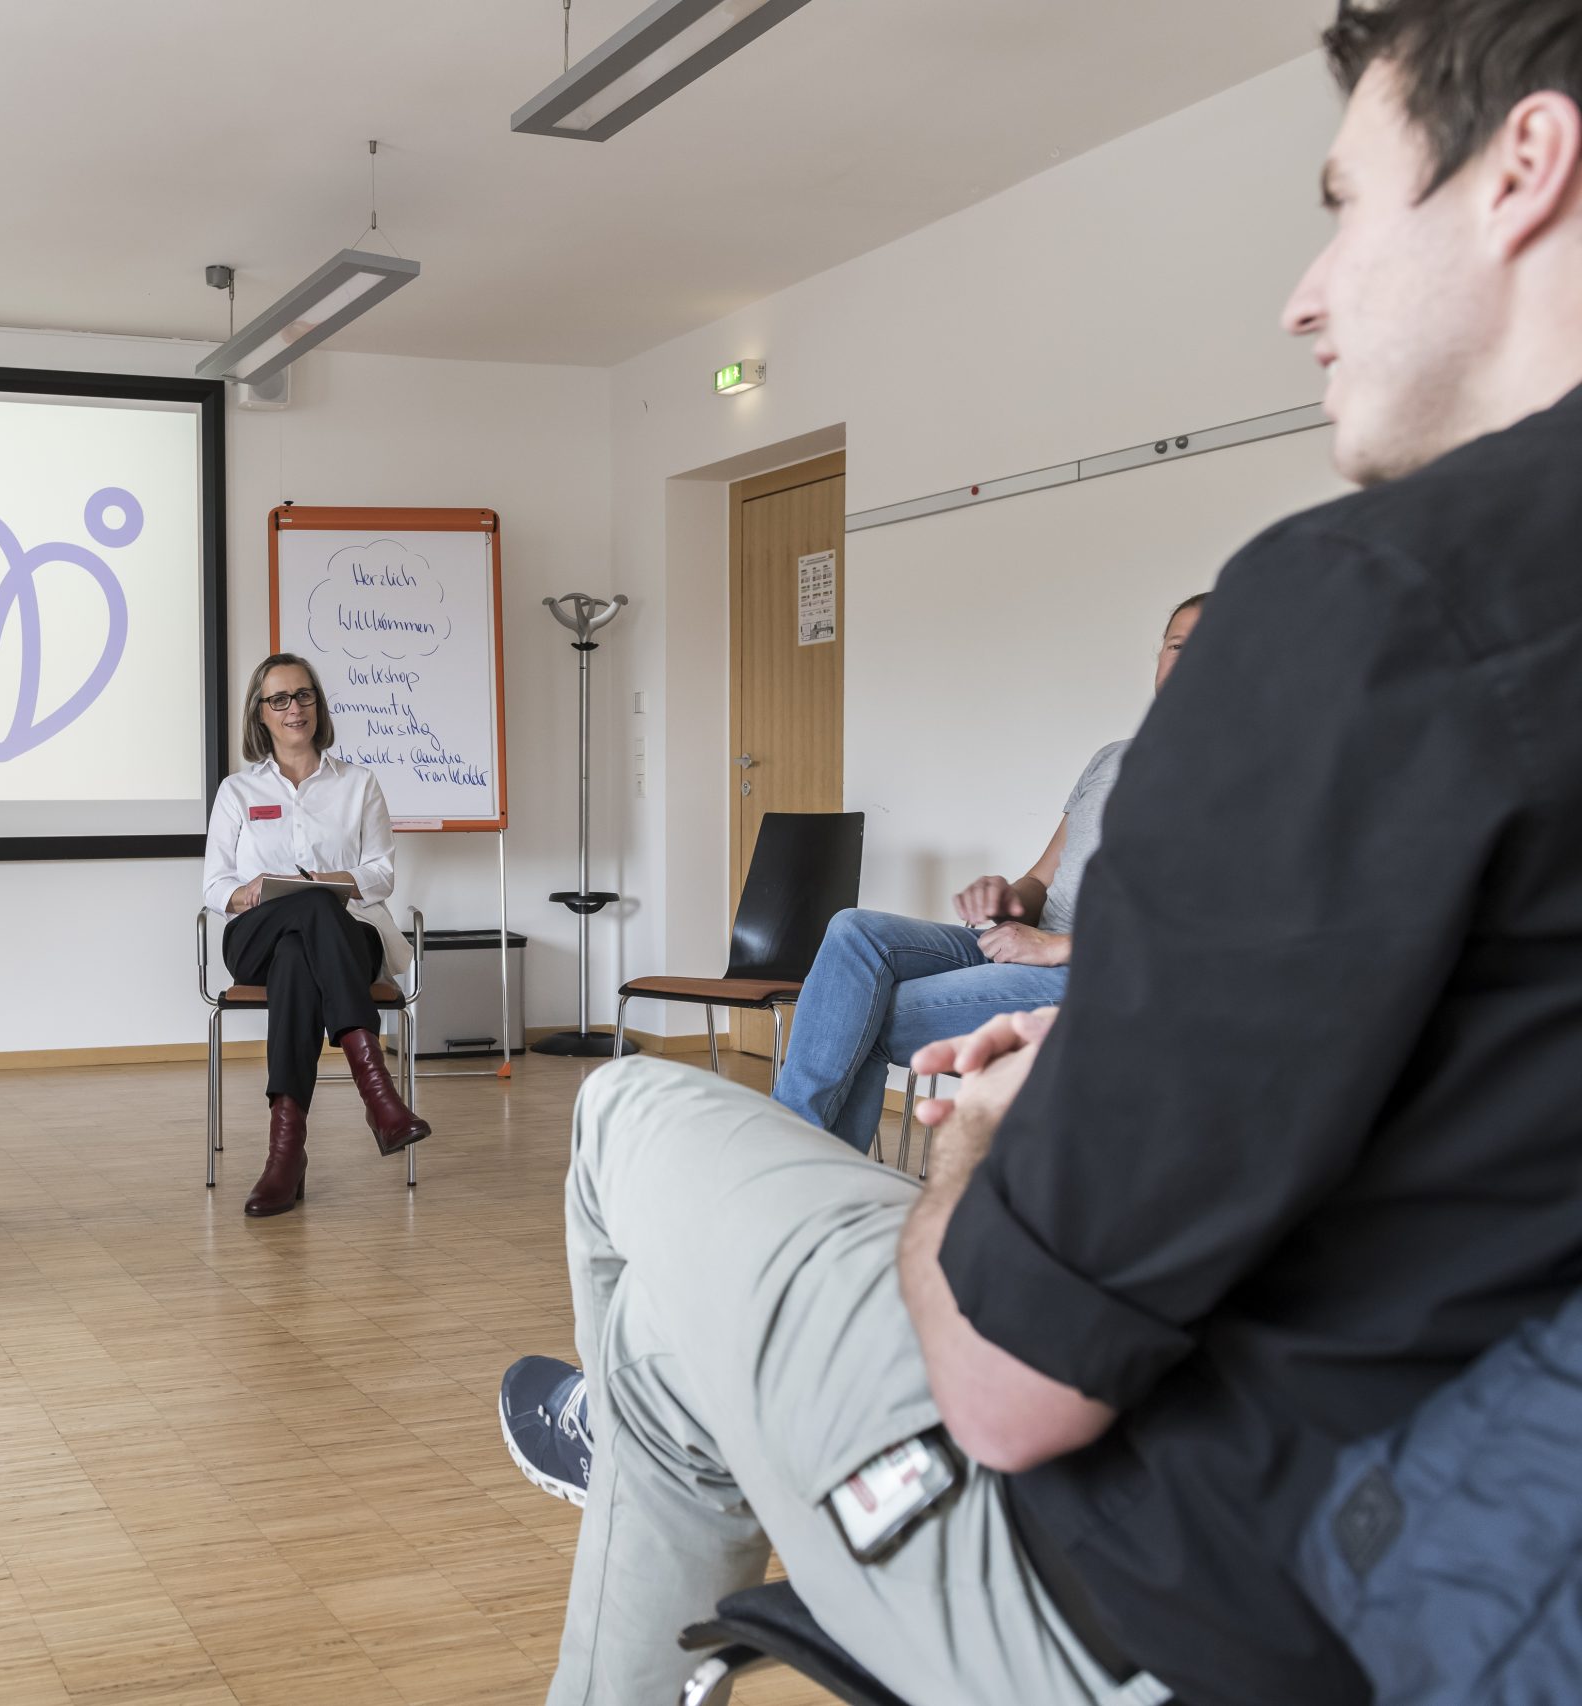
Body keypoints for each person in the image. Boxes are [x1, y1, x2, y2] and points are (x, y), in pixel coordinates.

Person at [501, 4, 1582, 1703]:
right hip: (1498, 1569)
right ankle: (669, 1398)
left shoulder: (1367, 604)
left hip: (1187, 1600)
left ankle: (657, 1402)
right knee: (678, 1340)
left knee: (629, 1115)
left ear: (1527, 166)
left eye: (1347, 206)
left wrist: (972, 1160)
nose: (1308, 295)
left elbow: (1012, 1387)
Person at [771, 595, 1203, 1150]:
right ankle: (797, 1161)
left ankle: (792, 1162)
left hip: (1101, 973)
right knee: (855, 932)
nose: (1187, 657)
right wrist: (1009, 898)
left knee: (863, 1015)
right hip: (1025, 946)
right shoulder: (1112, 759)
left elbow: (1212, 920)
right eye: (1175, 644)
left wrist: (1057, 947)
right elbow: (1043, 877)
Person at [203, 653, 431, 1216]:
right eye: (278, 699)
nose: (293, 708)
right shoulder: (236, 791)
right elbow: (213, 886)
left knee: (298, 952)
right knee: (297, 921)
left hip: (350, 936)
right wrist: (256, 890)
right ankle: (379, 1097)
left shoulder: (359, 784)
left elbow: (381, 873)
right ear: (260, 714)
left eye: (303, 695)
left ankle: (286, 1155)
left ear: (318, 704)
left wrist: (329, 883)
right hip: (253, 935)